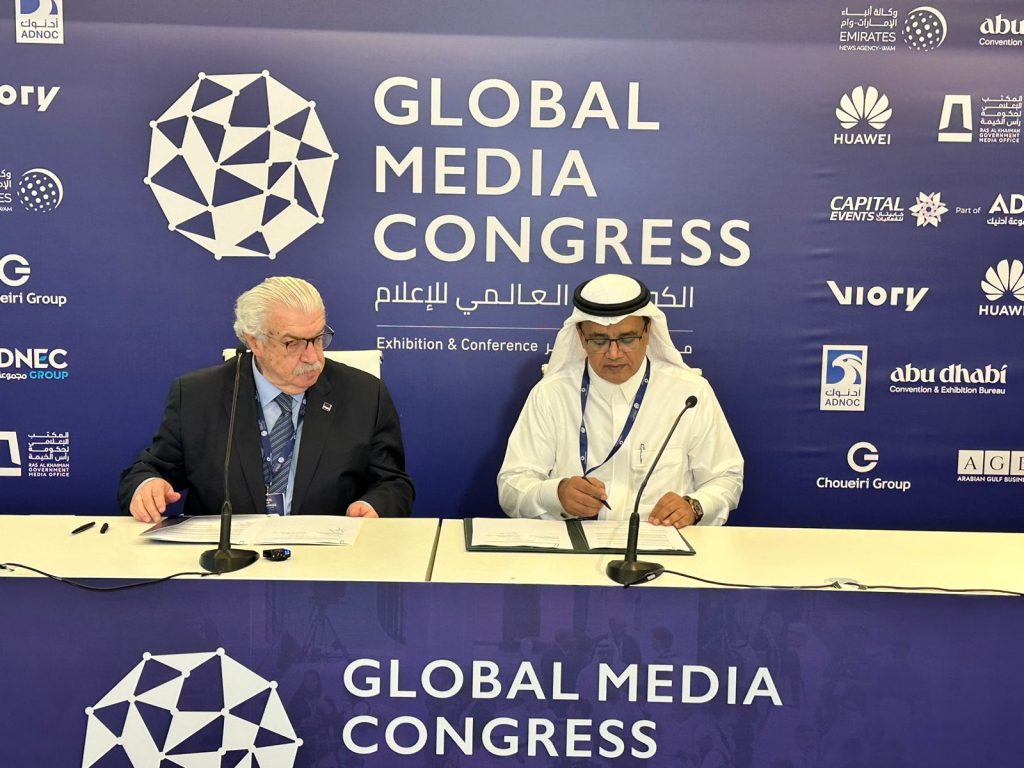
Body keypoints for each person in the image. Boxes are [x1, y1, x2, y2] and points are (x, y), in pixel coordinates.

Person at [119, 276, 414, 521]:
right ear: (255, 342)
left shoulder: (364, 394)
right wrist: (148, 487)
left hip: (327, 561)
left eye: (318, 338)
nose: (312, 357)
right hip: (226, 560)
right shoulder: (198, 395)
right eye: (292, 343)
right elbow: (150, 469)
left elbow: (392, 483)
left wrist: (374, 505)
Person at [497, 273, 742, 527]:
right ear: (581, 337)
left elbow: (726, 477)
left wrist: (694, 506)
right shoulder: (551, 394)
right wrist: (555, 495)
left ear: (647, 332)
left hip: (660, 541)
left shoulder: (689, 393)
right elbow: (511, 486)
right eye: (599, 340)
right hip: (571, 543)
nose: (613, 354)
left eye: (627, 339)